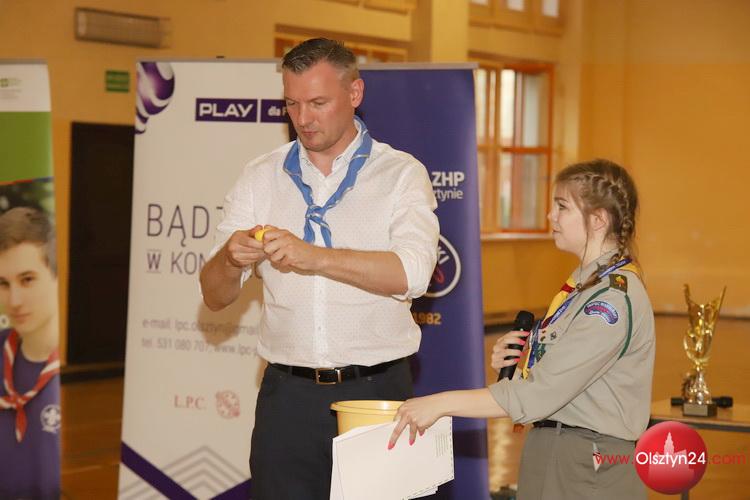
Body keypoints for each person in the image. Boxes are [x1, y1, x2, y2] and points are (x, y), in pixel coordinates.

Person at [199, 38, 439, 499]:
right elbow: (214, 296)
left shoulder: (400, 174)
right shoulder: (260, 175)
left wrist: (316, 257)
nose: (303, 118)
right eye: (292, 104)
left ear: (355, 93)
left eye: (317, 103)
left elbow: (412, 274)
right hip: (287, 397)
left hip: (377, 393)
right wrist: (228, 259)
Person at [389, 159, 655, 500]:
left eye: (562, 207)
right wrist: (521, 363)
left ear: (598, 219)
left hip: (588, 466)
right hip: (557, 451)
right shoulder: (585, 287)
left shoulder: (610, 300)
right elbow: (565, 382)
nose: (550, 216)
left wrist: (439, 404)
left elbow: (538, 395)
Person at [0, 206, 61, 499]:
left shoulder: (63, 380)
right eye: (3, 284)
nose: (14, 300)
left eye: (27, 279)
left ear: (56, 277)